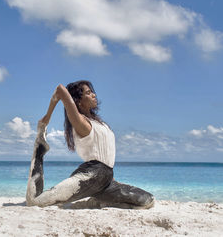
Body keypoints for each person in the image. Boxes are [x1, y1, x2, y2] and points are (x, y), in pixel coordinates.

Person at [26, 80, 154, 209]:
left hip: (106, 180)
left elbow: (105, 154)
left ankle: (98, 201)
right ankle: (39, 149)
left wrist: (111, 178)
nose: (94, 94)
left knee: (147, 200)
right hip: (89, 175)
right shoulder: (80, 121)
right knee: (35, 202)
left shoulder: (99, 123)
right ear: (79, 102)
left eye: (92, 91)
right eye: (88, 92)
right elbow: (60, 89)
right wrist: (46, 119)